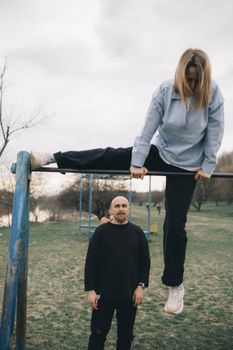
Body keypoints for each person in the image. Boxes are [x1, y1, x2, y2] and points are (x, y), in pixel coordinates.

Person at [31, 48, 224, 314]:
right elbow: (147, 129)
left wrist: (208, 165)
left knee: (175, 226)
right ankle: (52, 157)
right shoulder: (165, 91)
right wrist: (137, 161)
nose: (191, 85)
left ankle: (175, 285)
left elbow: (215, 131)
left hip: (190, 165)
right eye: (187, 79)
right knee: (112, 156)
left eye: (196, 80)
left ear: (203, 78)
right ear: (180, 75)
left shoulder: (213, 94)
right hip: (163, 152)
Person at [84, 196, 150, 350]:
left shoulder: (137, 232)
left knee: (125, 338)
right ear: (111, 210)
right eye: (117, 206)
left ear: (129, 209)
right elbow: (91, 263)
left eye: (124, 206)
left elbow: (145, 263)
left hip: (129, 295)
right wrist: (91, 290)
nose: (121, 208)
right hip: (103, 295)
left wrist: (141, 286)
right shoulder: (101, 232)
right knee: (97, 336)